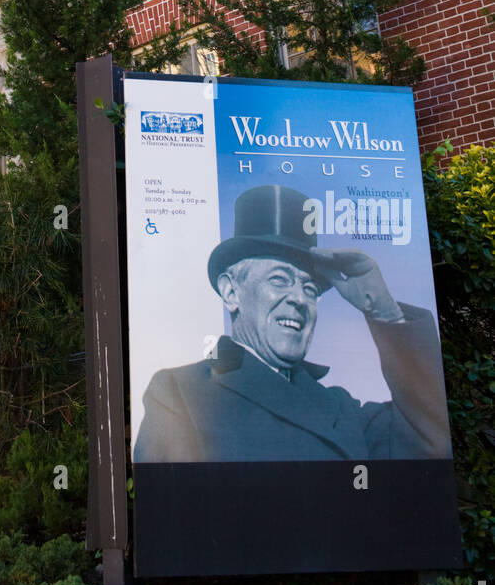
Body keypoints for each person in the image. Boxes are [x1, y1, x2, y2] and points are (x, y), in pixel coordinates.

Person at [133, 184, 452, 463]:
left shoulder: (341, 408)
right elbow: (173, 516)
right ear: (232, 292)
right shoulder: (182, 392)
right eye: (279, 279)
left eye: (309, 288)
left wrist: (382, 309)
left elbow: (429, 443)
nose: (300, 299)